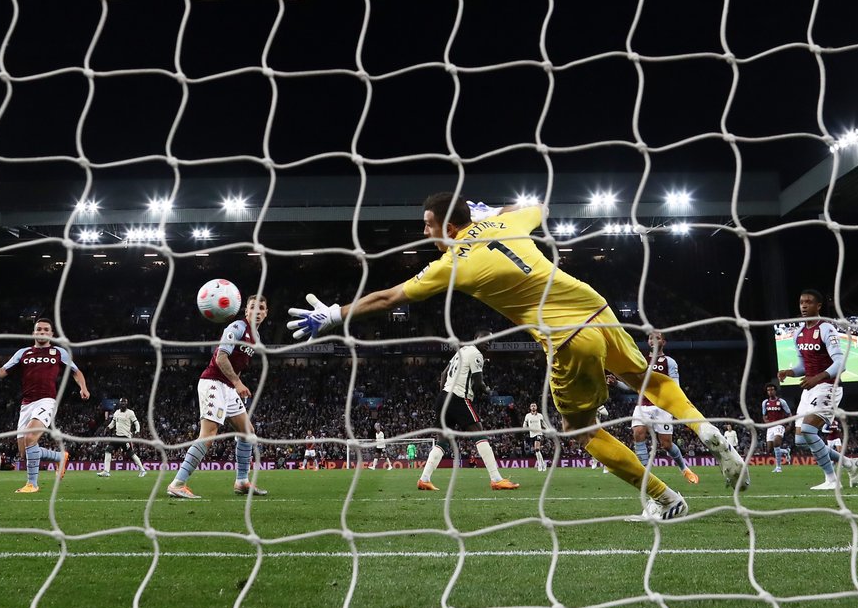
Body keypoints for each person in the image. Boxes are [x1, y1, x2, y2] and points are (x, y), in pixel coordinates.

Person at [289, 193, 748, 520]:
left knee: (579, 430)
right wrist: (496, 210)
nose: (424, 231)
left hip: (568, 338)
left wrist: (335, 314)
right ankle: (707, 430)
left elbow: (389, 298)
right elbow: (541, 207)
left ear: (449, 227)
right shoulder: (507, 223)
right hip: (596, 306)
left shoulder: (452, 260)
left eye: (428, 224)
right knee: (648, 379)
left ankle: (664, 498)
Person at [167, 295, 269, 499]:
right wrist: (238, 383)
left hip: (228, 388)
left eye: (262, 308)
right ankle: (177, 484)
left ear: (266, 313)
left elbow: (236, 364)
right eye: (252, 307)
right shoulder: (237, 328)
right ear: (246, 311)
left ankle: (242, 482)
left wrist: (236, 385)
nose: (257, 311)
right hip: (213, 382)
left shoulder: (255, 337)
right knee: (209, 434)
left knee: (248, 432)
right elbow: (221, 357)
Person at [0, 317, 90, 494]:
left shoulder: (59, 353)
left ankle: (32, 484)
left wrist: (83, 387)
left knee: (30, 438)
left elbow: (76, 371)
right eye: (39, 329)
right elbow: (3, 372)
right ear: (33, 333)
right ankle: (60, 457)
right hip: (26, 404)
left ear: (51, 334)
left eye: (45, 330)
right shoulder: (23, 353)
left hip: (47, 400)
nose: (42, 332)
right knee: (24, 453)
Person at [776, 289, 858, 490]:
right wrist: (789, 372)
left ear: (819, 306)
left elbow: (840, 363)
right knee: (800, 440)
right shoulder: (798, 333)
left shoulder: (826, 329)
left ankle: (832, 480)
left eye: (808, 302)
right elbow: (803, 367)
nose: (804, 305)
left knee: (808, 430)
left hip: (827, 387)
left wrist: (817, 377)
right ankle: (850, 464)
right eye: (801, 302)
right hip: (810, 390)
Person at [413, 333, 520, 491]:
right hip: (458, 398)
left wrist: (444, 392)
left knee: (442, 440)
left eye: (490, 342)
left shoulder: (461, 351)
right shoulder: (476, 354)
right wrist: (489, 391)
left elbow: (443, 374)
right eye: (486, 340)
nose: (488, 344)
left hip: (443, 397)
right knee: (479, 433)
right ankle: (496, 479)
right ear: (477, 338)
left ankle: (424, 479)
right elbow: (478, 383)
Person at [626, 332, 699, 485]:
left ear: (663, 342)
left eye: (657, 337)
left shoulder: (669, 362)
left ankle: (684, 468)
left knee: (666, 444)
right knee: (638, 432)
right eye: (650, 338)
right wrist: (616, 384)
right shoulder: (641, 361)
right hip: (643, 404)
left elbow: (675, 386)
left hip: (662, 407)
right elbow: (633, 385)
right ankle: (646, 474)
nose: (653, 340)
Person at [100, 398, 145, 477]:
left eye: (124, 402)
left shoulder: (130, 413)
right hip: (117, 436)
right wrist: (107, 428)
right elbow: (113, 423)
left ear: (127, 404)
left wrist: (137, 431)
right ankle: (106, 471)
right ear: (119, 403)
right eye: (122, 402)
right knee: (108, 450)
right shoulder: (116, 412)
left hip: (126, 437)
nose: (123, 403)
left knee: (131, 454)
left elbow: (136, 423)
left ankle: (142, 470)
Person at [761, 381, 793, 473]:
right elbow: (764, 415)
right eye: (768, 390)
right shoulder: (765, 403)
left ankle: (778, 467)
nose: (770, 391)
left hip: (780, 425)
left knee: (776, 443)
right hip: (770, 426)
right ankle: (786, 451)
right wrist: (766, 421)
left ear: (775, 391)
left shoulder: (781, 402)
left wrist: (790, 425)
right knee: (770, 449)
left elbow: (789, 413)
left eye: (772, 390)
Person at [524, 402, 548, 471]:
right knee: (536, 450)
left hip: (538, 433)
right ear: (530, 408)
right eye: (532, 406)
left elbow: (544, 423)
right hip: (532, 434)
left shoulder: (540, 415)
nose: (533, 407)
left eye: (534, 406)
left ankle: (539, 464)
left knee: (537, 449)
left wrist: (548, 428)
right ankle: (542, 463)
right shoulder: (527, 416)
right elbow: (525, 423)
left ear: (536, 407)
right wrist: (524, 427)